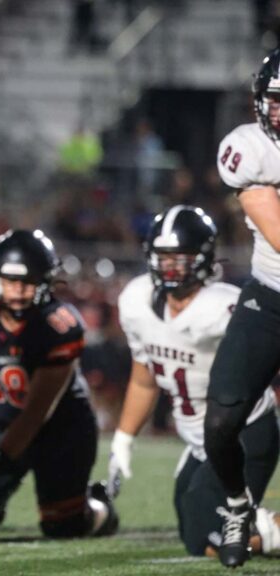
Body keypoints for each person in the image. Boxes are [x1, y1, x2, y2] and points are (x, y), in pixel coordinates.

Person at [110, 205, 280, 558]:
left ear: (203, 257)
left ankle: (270, 531)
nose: (170, 266)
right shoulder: (136, 300)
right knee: (193, 532)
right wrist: (123, 438)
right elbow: (144, 379)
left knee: (211, 537)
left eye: (181, 257)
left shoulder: (227, 307)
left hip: (243, 432)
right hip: (196, 439)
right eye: (163, 257)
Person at [0, 230, 117, 538]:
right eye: (11, 281)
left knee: (63, 526)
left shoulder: (59, 325)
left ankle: (100, 507)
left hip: (60, 428)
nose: (18, 292)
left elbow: (37, 411)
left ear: (46, 282)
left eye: (27, 283)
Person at [207, 47, 280, 567]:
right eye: (279, 102)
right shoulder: (250, 149)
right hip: (271, 297)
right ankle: (238, 505)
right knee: (221, 421)